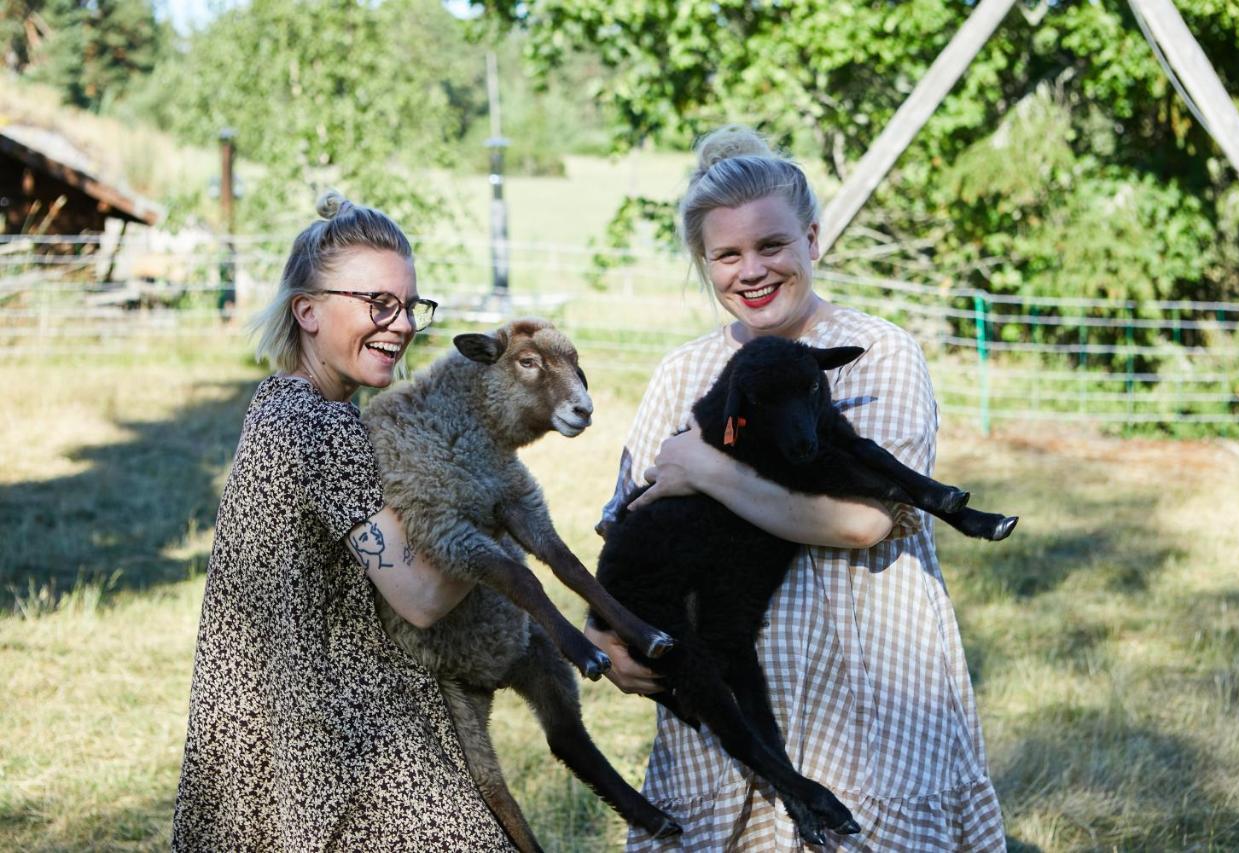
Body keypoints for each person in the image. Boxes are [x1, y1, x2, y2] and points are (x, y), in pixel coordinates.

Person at [587, 127, 1006, 851]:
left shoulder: (877, 354)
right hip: (730, 690)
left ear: (813, 238)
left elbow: (862, 522)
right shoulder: (682, 373)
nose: (752, 270)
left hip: (864, 689)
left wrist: (710, 469)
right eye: (728, 255)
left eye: (772, 245)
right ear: (705, 263)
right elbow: (629, 524)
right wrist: (602, 639)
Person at [173, 192, 514, 851]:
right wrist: (496, 514)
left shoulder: (279, 402)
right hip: (332, 739)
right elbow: (419, 596)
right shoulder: (321, 425)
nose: (403, 322)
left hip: (266, 730)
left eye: (412, 305)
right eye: (378, 303)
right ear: (307, 309)